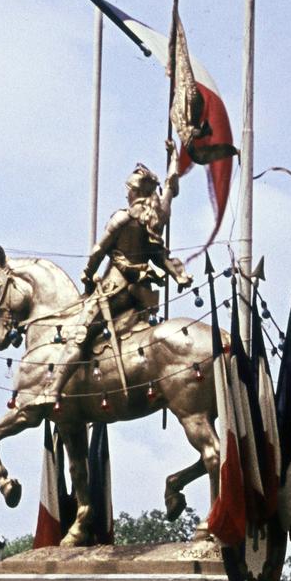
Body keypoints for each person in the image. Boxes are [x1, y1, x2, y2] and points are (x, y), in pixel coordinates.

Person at [55, 149, 193, 396]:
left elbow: (98, 250)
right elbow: (171, 189)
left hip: (114, 289)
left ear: (136, 192)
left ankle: (51, 390)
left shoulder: (122, 218)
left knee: (79, 332)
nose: (126, 192)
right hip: (140, 295)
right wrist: (178, 274)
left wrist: (87, 274)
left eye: (129, 188)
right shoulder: (156, 217)